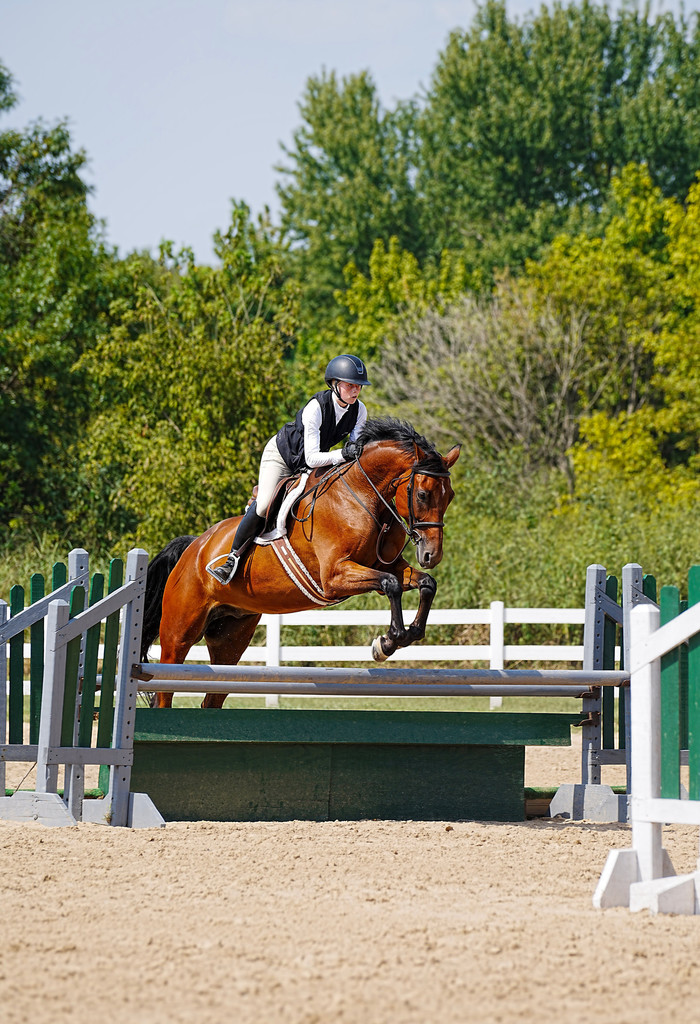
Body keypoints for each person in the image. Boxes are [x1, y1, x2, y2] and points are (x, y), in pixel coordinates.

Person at [208, 353, 371, 584]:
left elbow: (354, 446)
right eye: (350, 385)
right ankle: (231, 558)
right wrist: (343, 454)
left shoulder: (359, 410)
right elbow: (313, 457)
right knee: (264, 504)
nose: (355, 391)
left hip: (311, 462)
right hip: (283, 457)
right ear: (334, 384)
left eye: (359, 387)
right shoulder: (316, 408)